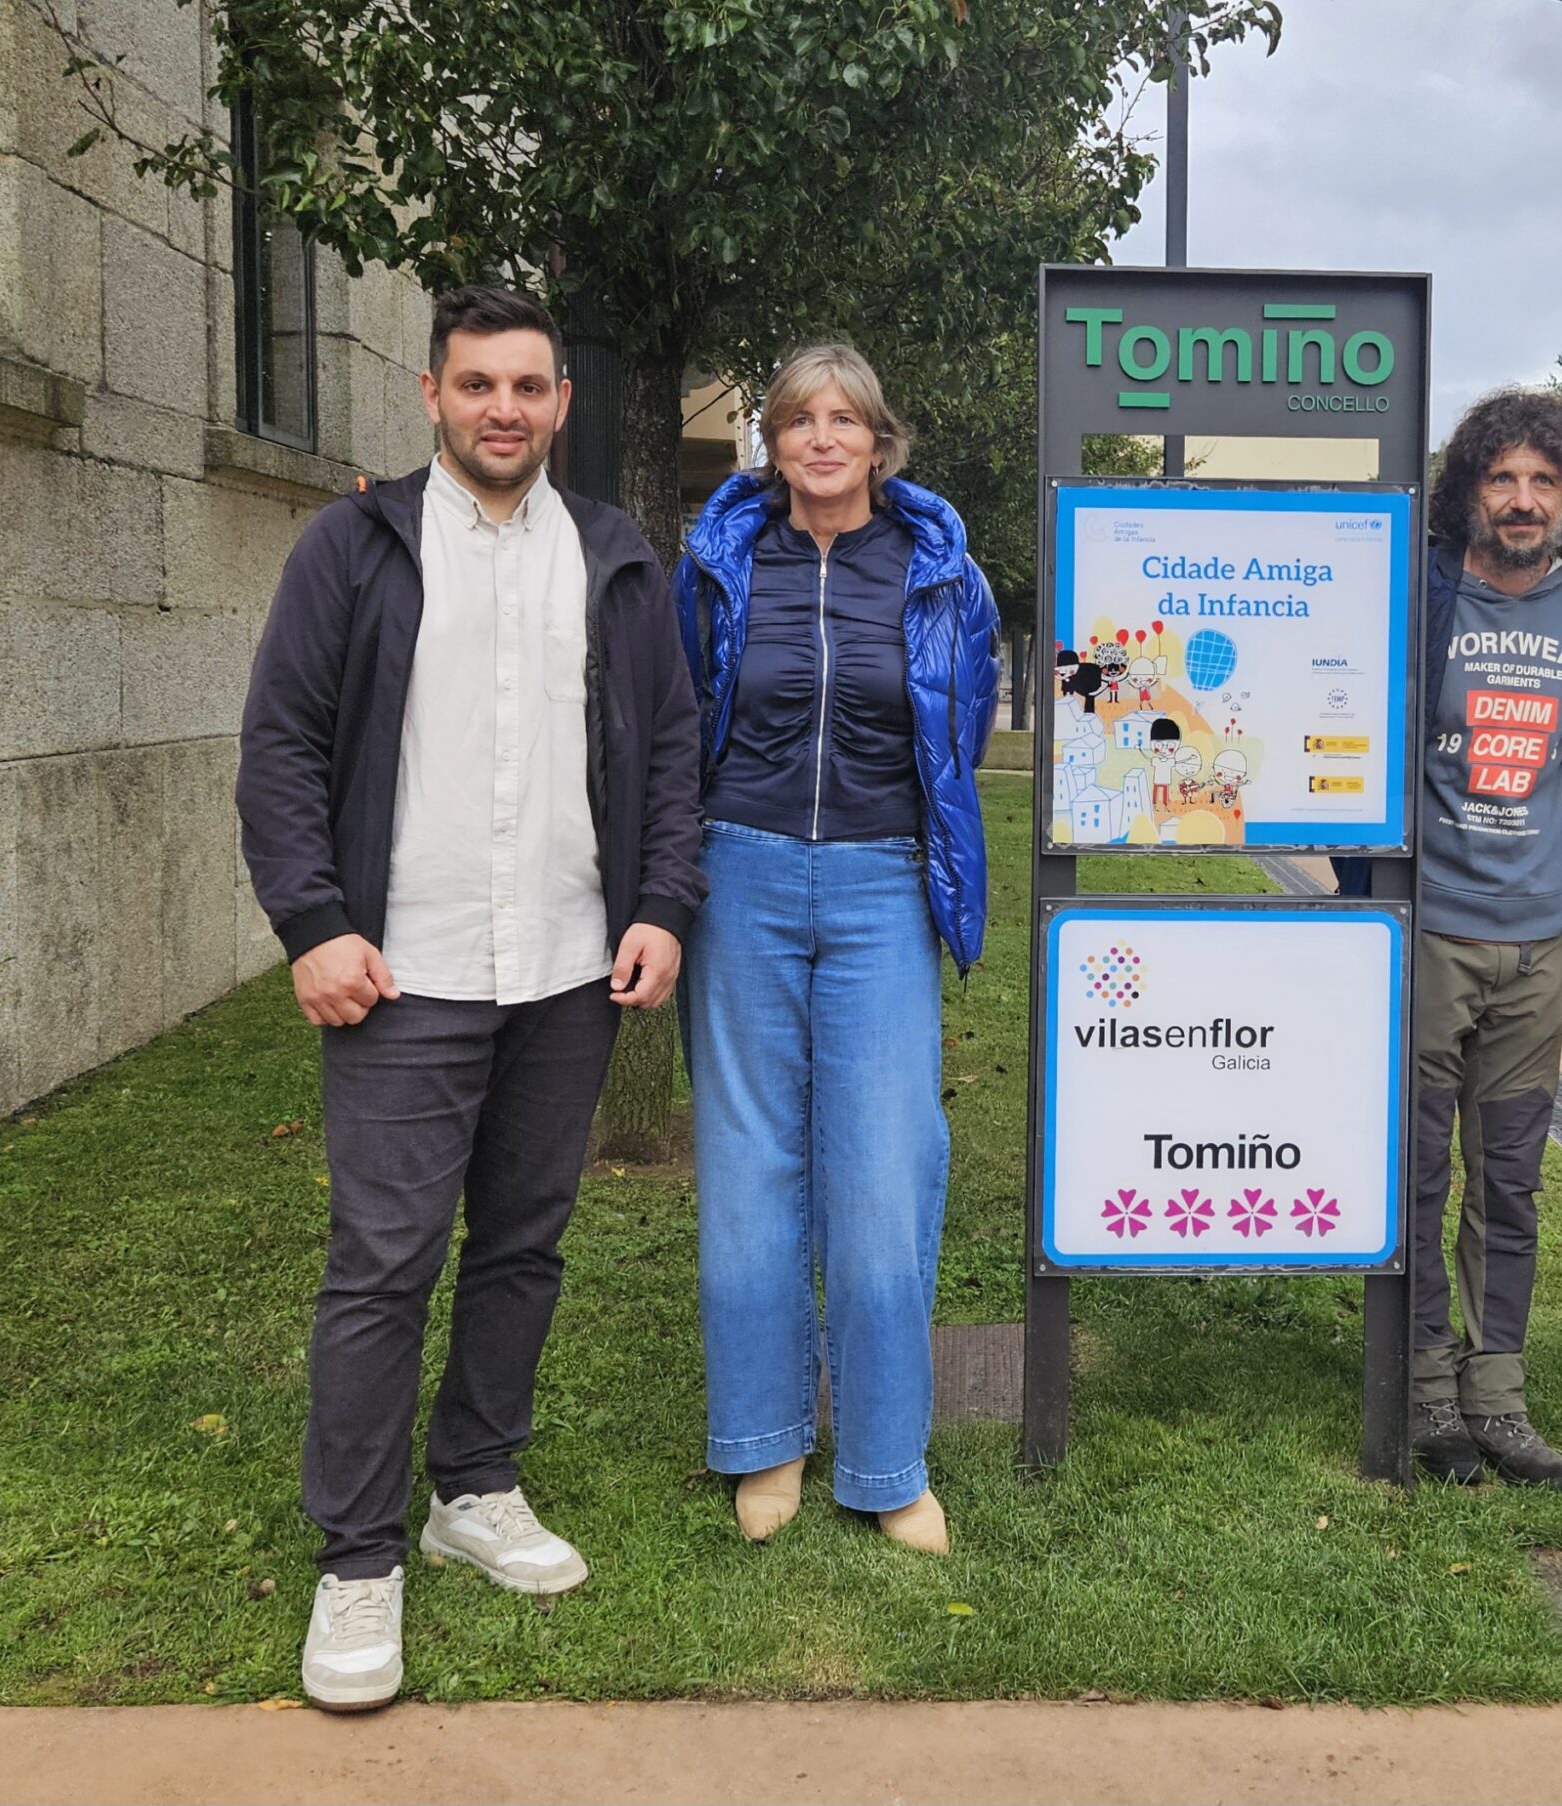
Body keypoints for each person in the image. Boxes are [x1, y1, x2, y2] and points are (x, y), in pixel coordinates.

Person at [237, 284, 705, 1711]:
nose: (505, 407)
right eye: (478, 383)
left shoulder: (615, 557)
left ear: (562, 401)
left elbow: (671, 750)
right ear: (432, 394)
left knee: (520, 1243)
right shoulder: (355, 546)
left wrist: (660, 906)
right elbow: (279, 746)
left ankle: (475, 1485)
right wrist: (314, 924)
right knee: (382, 1263)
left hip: (565, 966)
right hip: (402, 976)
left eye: (530, 384)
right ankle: (358, 1558)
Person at [674, 343, 996, 1554]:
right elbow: (679, 721)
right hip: (741, 876)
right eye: (798, 418)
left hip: (882, 885)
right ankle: (763, 1444)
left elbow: (957, 741)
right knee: (749, 1167)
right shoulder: (717, 564)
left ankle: (886, 1461)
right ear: (769, 438)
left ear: (878, 440)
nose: (820, 437)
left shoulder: (940, 574)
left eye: (843, 419)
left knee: (883, 1172)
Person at [1341, 389, 1562, 1489]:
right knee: (1416, 1171)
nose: (1519, 501)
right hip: (1426, 934)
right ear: (1467, 489)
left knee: (1509, 1179)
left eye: (1541, 482)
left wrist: (1528, 867)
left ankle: (1497, 1398)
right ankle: (1423, 1394)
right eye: (1500, 479)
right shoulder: (1419, 598)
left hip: (1535, 947)